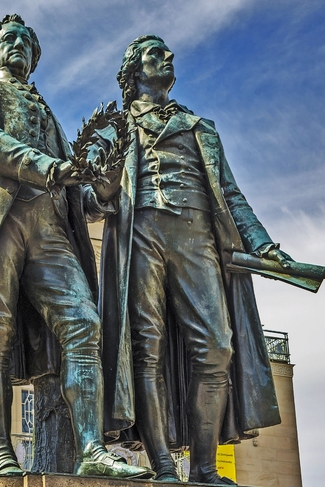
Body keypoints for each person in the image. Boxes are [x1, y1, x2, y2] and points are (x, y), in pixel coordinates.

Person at [0, 14, 152, 480]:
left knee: (83, 324)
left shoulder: (46, 112)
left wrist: (104, 191)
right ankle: (2, 455)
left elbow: (76, 192)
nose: (17, 46)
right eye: (8, 39)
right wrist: (52, 168)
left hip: (49, 225)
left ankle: (91, 449)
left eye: (26, 43)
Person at [95, 35, 292, 484]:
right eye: (154, 53)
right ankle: (163, 465)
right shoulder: (116, 125)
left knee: (217, 347)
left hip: (198, 236)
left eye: (167, 53)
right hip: (140, 233)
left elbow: (231, 194)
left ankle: (204, 466)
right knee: (146, 349)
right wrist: (100, 186)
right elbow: (90, 196)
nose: (167, 57)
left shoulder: (200, 126)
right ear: (133, 71)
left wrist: (261, 243)